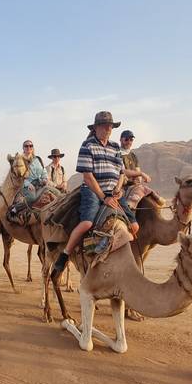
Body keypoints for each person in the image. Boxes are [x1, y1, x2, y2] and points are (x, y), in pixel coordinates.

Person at [51, 111, 125, 280]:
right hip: (93, 190)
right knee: (86, 222)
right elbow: (88, 176)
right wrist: (103, 197)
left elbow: (121, 173)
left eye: (111, 126)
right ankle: (65, 254)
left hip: (113, 191)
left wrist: (118, 189)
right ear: (96, 127)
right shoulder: (88, 146)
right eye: (105, 125)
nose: (108, 128)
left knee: (134, 225)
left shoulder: (115, 147)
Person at [21, 140, 49, 204]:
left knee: (57, 193)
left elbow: (43, 172)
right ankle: (16, 208)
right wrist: (28, 184)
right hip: (27, 185)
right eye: (26, 146)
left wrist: (45, 179)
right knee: (32, 198)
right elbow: (19, 177)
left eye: (31, 146)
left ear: (33, 148)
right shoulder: (21, 160)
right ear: (23, 148)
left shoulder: (38, 159)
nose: (29, 147)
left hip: (40, 183)